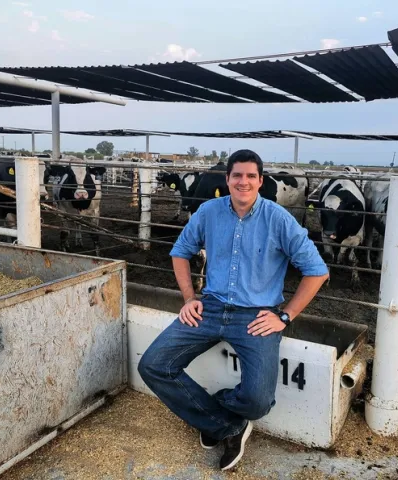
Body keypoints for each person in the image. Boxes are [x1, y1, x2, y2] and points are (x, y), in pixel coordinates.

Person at [138, 149, 329, 471]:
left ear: (260, 180)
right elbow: (180, 251)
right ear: (227, 180)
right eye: (237, 175)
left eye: (250, 176)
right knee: (154, 365)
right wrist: (189, 298)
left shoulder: (278, 218)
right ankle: (227, 425)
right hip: (209, 307)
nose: (243, 182)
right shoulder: (209, 211)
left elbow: (317, 271)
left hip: (257, 316)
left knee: (257, 402)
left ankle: (217, 413)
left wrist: (285, 316)